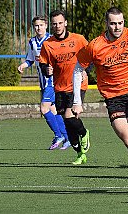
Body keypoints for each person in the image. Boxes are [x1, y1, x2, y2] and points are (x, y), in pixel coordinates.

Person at [72, 7, 128, 176]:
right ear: (106, 23)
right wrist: (77, 102)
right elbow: (78, 70)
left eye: (120, 23)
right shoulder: (95, 45)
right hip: (114, 99)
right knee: (127, 137)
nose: (117, 27)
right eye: (113, 23)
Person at [39, 10, 90, 165]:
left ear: (66, 23)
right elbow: (43, 63)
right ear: (51, 25)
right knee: (67, 123)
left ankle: (84, 133)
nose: (58, 26)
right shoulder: (48, 45)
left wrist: (86, 71)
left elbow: (91, 56)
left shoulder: (78, 39)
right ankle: (80, 153)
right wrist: (46, 70)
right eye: (54, 24)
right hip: (59, 87)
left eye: (60, 23)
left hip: (77, 85)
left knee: (70, 116)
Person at [17, 15, 70, 150]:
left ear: (46, 26)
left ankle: (59, 135)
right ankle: (67, 137)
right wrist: (23, 66)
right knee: (53, 110)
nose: (38, 28)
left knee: (44, 108)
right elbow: (30, 60)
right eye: (36, 25)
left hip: (52, 81)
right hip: (43, 82)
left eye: (41, 25)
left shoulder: (52, 41)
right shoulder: (32, 42)